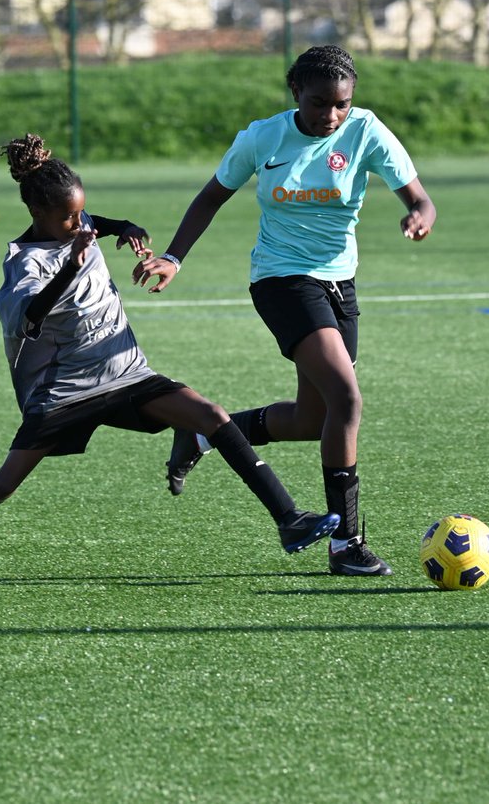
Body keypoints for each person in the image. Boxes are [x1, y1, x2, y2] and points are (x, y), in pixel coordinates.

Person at [0, 134, 338, 582]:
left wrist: (125, 228)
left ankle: (289, 519)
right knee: (2, 485)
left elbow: (91, 222)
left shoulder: (75, 226)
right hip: (64, 394)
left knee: (213, 416)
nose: (82, 225)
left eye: (83, 213)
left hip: (126, 374)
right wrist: (71, 269)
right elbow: (29, 316)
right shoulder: (24, 262)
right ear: (38, 214)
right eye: (70, 217)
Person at [132, 45, 436, 577]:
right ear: (295, 92)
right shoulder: (262, 137)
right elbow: (211, 196)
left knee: (312, 419)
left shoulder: (366, 131)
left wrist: (418, 214)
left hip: (340, 283)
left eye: (341, 104)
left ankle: (206, 431)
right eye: (320, 103)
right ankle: (346, 543)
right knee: (346, 397)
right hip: (281, 280)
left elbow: (420, 197)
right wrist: (174, 258)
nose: (331, 116)